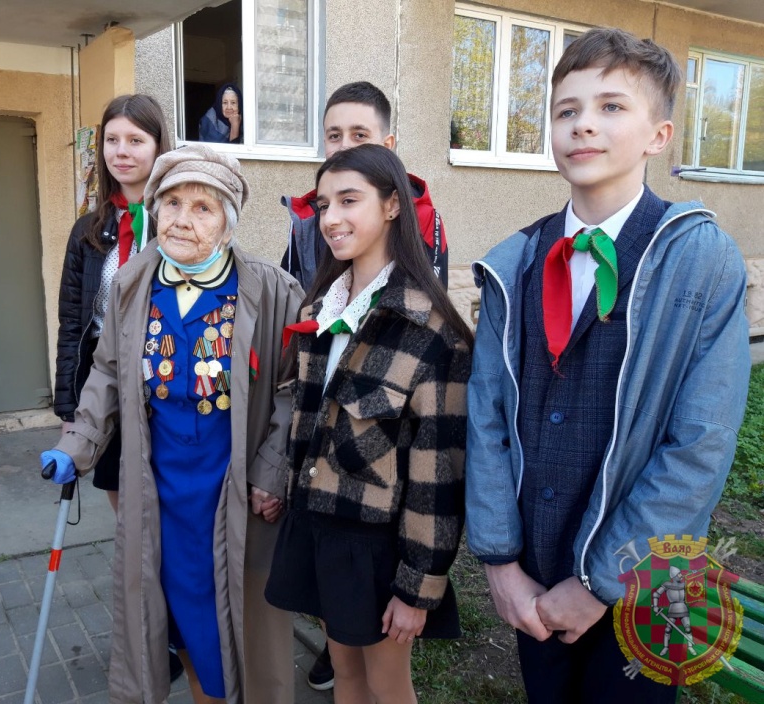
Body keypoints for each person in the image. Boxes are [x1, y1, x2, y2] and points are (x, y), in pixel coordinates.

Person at [465, 27, 751, 704]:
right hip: (534, 576)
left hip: (647, 582)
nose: (583, 124)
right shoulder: (515, 262)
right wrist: (501, 564)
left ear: (658, 136)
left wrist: (602, 583)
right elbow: (486, 417)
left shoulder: (702, 261)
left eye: (611, 106)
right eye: (566, 110)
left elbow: (700, 444)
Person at [42, 144, 302, 704]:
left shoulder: (270, 289)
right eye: (173, 203)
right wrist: (77, 442)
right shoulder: (133, 285)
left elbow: (293, 386)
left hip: (232, 491)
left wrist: (271, 470)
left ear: (228, 223)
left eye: (203, 208)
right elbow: (107, 372)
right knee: (175, 619)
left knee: (239, 629)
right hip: (158, 492)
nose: (183, 219)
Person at [265, 144, 472, 704]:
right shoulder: (320, 311)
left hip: (379, 549)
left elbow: (439, 477)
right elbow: (307, 419)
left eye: (349, 200)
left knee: (387, 685)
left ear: (392, 206)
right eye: (323, 204)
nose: (330, 218)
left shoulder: (430, 332)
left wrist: (418, 585)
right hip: (320, 528)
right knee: (344, 673)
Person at [54, 94, 171, 515]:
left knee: (166, 494)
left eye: (135, 140)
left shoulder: (178, 223)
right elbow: (72, 323)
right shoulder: (88, 230)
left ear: (158, 146)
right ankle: (130, 557)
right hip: (104, 382)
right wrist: (69, 409)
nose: (121, 151)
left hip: (165, 377)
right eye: (112, 139)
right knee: (119, 490)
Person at [282, 81, 448, 297]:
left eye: (359, 135)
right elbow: (292, 298)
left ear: (387, 146)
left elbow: (427, 305)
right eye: (334, 136)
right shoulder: (306, 216)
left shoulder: (422, 217)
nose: (344, 147)